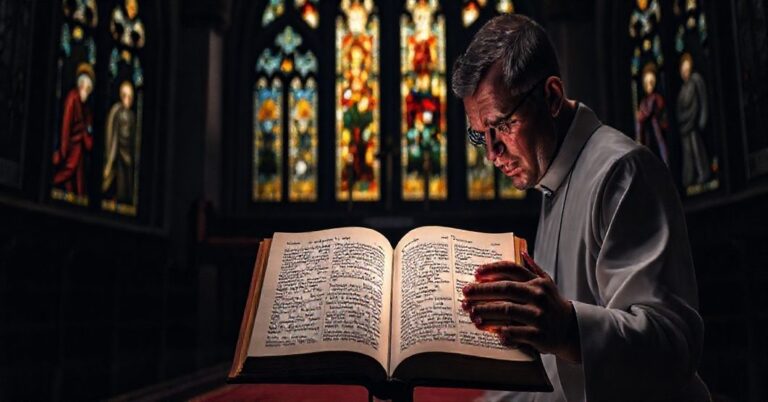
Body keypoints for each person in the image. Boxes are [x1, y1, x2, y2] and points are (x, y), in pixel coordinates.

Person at [452, 14, 710, 401]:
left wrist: (568, 329)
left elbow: (672, 347)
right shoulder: (552, 179)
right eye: (479, 134)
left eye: (502, 125)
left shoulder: (621, 172)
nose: (491, 153)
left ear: (552, 97)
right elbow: (559, 377)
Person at [53, 62, 95, 197]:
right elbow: (66, 124)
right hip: (71, 145)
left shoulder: (86, 107)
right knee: (68, 170)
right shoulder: (72, 98)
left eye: (88, 88)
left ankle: (73, 197)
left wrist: (88, 138)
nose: (85, 90)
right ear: (79, 84)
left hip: (80, 147)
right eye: (83, 86)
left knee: (78, 178)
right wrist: (64, 148)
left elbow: (88, 127)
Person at [103, 80, 137, 204]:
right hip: (117, 152)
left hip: (128, 156)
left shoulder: (132, 116)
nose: (127, 100)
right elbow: (113, 134)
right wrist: (110, 158)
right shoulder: (117, 111)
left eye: (130, 97)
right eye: (125, 96)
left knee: (125, 182)